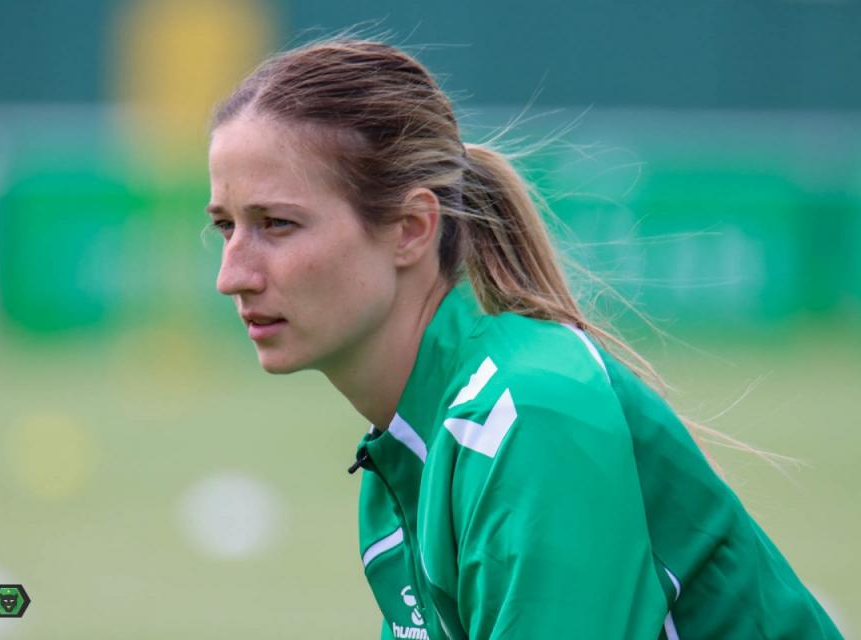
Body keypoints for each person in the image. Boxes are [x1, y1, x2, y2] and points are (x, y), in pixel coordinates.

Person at [205, 39, 843, 639]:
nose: (232, 275)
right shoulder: (404, 455)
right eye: (226, 226)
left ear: (410, 229)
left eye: (277, 224)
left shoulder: (527, 414)